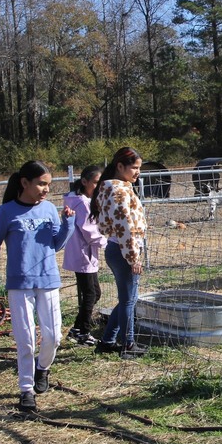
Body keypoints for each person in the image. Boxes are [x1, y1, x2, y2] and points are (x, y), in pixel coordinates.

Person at [0, 161, 74, 413]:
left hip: (48, 280)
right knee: (26, 339)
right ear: (25, 183)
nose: (46, 189)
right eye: (41, 184)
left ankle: (43, 368)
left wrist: (67, 224)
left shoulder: (50, 208)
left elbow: (56, 244)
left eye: (48, 184)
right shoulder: (7, 212)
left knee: (53, 336)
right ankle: (26, 390)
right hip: (19, 284)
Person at [91, 147, 147, 357]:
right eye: (134, 167)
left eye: (139, 168)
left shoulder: (109, 188)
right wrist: (133, 257)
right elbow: (125, 226)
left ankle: (107, 340)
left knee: (127, 299)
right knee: (128, 300)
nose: (137, 172)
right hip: (124, 250)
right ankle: (128, 344)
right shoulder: (119, 191)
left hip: (117, 248)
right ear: (120, 166)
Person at [62, 165, 105, 345]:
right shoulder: (81, 203)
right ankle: (83, 332)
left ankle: (77, 329)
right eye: (95, 182)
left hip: (82, 253)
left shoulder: (76, 200)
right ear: (85, 181)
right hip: (83, 253)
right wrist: (106, 242)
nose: (98, 186)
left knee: (94, 293)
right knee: (90, 294)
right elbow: (88, 230)